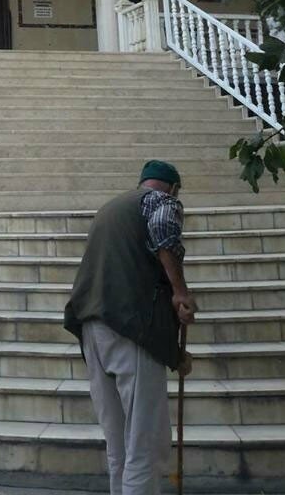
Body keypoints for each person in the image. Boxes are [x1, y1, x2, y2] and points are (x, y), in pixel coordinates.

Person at [63, 160, 197, 495]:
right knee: (143, 444)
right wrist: (180, 291)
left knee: (119, 444)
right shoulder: (160, 202)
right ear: (173, 188)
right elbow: (165, 231)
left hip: (92, 327)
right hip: (129, 330)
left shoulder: (110, 208)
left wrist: (175, 353)